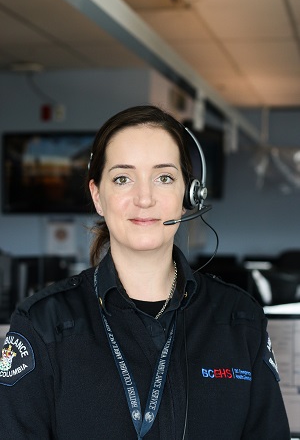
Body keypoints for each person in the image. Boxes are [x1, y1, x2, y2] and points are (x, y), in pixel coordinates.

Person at [0, 105, 290, 439]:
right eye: (123, 178)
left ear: (189, 195)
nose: (144, 198)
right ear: (98, 196)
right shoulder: (43, 323)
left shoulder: (240, 318)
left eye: (163, 177)